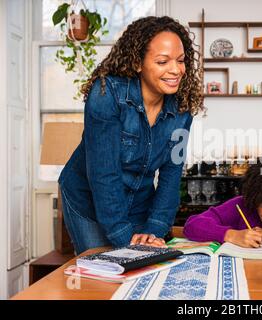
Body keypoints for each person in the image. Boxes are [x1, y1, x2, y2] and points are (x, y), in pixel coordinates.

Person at [58, 16, 204, 255]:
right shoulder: (106, 94)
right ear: (137, 62)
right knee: (106, 273)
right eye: (162, 61)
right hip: (89, 200)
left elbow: (171, 173)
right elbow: (104, 174)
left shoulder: (182, 108)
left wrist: (155, 229)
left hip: (138, 203)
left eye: (181, 60)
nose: (176, 70)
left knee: (142, 269)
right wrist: (125, 238)